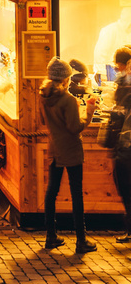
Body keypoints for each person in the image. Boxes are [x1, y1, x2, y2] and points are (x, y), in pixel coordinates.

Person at [39, 56, 98, 254]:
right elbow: (75, 128)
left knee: (51, 191)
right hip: (71, 150)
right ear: (65, 78)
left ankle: (50, 236)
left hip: (55, 148)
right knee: (76, 194)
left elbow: (44, 120)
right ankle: (81, 240)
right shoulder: (69, 100)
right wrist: (88, 111)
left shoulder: (44, 96)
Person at [110, 46, 131, 244]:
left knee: (125, 186)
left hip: (127, 145)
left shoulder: (125, 85)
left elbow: (119, 113)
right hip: (126, 144)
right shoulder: (125, 84)